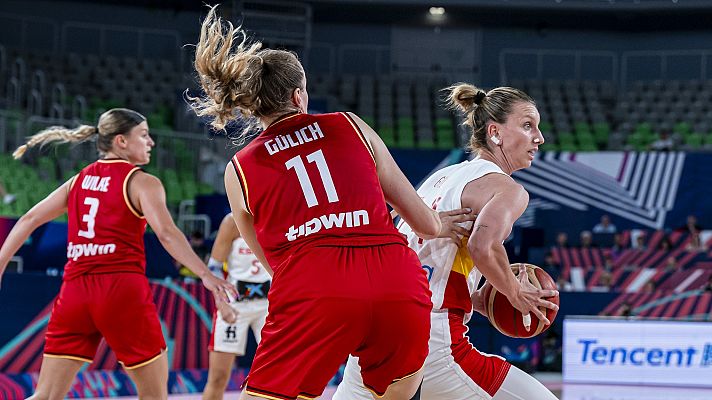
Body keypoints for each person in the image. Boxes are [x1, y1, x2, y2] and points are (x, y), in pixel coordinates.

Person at [188, 7, 474, 400]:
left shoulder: (240, 167)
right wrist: (443, 225)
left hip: (314, 285)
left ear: (253, 104)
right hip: (395, 278)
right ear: (299, 95)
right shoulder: (351, 125)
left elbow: (275, 264)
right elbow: (423, 222)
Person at [335, 83, 559, 400]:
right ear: (495, 132)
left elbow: (419, 252)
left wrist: (475, 298)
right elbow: (483, 245)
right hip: (430, 336)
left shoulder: (441, 177)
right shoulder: (508, 189)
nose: (540, 137)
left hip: (376, 323)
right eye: (527, 125)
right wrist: (515, 290)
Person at [0, 108, 236, 400]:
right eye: (144, 135)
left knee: (45, 395)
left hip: (74, 291)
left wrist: (0, 265)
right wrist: (205, 275)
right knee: (153, 396)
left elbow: (28, 220)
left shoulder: (78, 181)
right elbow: (165, 233)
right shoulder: (141, 181)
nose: (151, 142)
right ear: (122, 142)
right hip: (120, 289)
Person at [202, 214, 271, 400]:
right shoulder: (232, 221)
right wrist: (221, 303)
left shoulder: (279, 215)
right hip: (235, 304)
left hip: (269, 305)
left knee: (281, 372)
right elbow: (214, 268)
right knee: (218, 378)